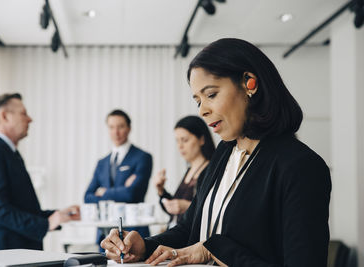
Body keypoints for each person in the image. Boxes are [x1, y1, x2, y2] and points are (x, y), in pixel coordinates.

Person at [101, 38, 331, 267]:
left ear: (249, 83)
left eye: (211, 95)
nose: (203, 110)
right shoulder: (224, 152)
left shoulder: (300, 165)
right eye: (197, 100)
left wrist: (214, 249)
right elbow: (189, 228)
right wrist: (145, 247)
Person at [0, 93, 80, 252]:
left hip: (10, 254)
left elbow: (19, 209)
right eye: (23, 113)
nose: (29, 119)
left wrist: (57, 216)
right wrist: (45, 224)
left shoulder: (8, 153)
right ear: (4, 116)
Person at [84, 109, 153, 243]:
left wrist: (103, 192)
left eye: (120, 127)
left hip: (134, 234)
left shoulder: (142, 157)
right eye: (111, 127)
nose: (116, 132)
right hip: (105, 235)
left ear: (129, 128)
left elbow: (132, 194)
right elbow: (87, 197)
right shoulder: (102, 163)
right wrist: (122, 191)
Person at [154, 115, 215, 228]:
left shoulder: (211, 169)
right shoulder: (190, 170)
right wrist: (161, 190)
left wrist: (187, 206)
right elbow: (175, 209)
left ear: (201, 139)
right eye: (177, 141)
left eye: (185, 140)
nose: (180, 146)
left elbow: (213, 208)